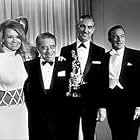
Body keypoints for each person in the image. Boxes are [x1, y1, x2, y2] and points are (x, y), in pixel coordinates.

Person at [60, 15, 106, 140]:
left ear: (94, 29)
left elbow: (103, 81)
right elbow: (62, 77)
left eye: (89, 27)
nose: (86, 30)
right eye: (82, 26)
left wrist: (102, 106)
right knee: (70, 133)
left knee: (89, 134)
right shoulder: (65, 50)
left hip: (91, 101)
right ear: (77, 27)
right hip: (70, 101)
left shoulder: (100, 51)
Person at [24, 32, 69, 140]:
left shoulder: (66, 64)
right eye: (44, 47)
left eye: (52, 47)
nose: (49, 51)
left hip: (61, 119)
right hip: (36, 119)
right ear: (38, 48)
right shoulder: (28, 66)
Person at [104, 25, 140, 140]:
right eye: (115, 37)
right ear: (110, 39)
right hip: (112, 104)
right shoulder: (104, 57)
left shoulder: (137, 55)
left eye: (122, 36)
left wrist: (139, 106)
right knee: (116, 135)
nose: (119, 40)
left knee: (131, 135)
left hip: (131, 104)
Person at [0, 19, 29, 139]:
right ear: (2, 39)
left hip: (21, 111)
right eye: (10, 37)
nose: (15, 41)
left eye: (18, 36)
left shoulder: (20, 57)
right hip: (3, 113)